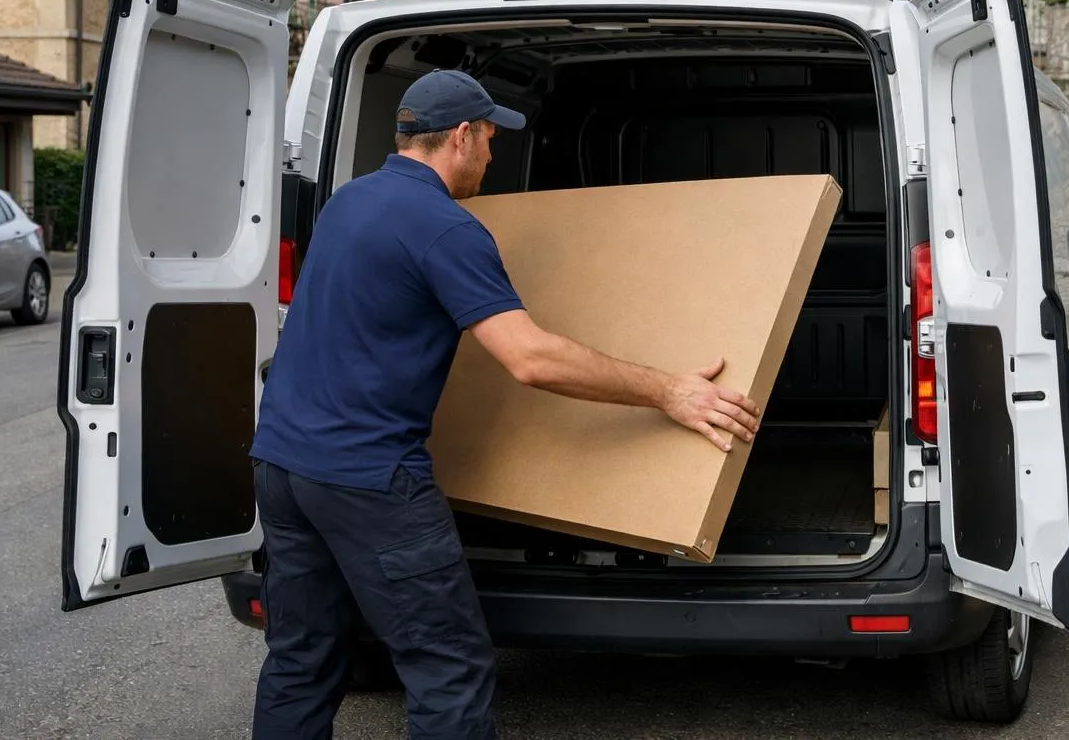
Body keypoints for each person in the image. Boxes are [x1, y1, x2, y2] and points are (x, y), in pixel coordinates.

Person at [248, 68, 762, 740]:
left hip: (282, 466)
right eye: (489, 139)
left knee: (301, 657)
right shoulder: (444, 227)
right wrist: (670, 391)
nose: (493, 157)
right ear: (460, 137)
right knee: (447, 665)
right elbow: (530, 358)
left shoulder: (349, 201)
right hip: (368, 479)